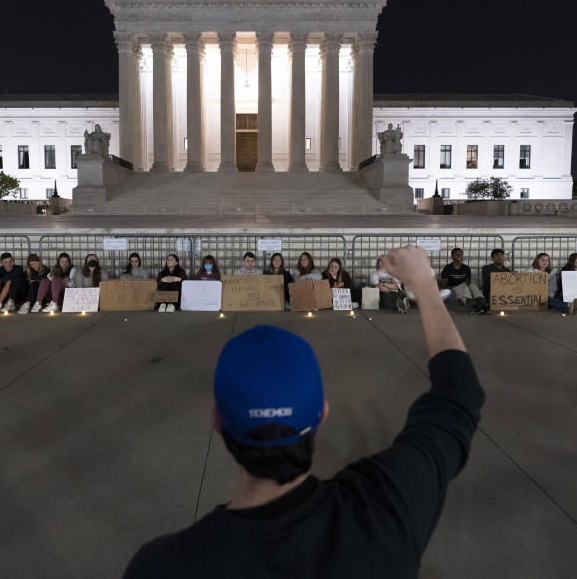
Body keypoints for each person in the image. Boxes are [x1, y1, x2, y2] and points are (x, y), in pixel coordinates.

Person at [123, 245, 485, 578]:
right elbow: (459, 393)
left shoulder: (161, 565)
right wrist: (423, 284)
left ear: (217, 423)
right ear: (322, 414)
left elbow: (459, 395)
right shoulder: (384, 510)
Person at [439, 248, 485, 313]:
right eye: (457, 255)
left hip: (464, 289)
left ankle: (483, 304)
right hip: (452, 291)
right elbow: (444, 286)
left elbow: (468, 283)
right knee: (463, 286)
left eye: (461, 255)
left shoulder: (466, 268)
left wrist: (464, 285)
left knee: (473, 285)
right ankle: (472, 306)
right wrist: (459, 286)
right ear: (452, 256)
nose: (459, 257)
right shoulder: (448, 269)